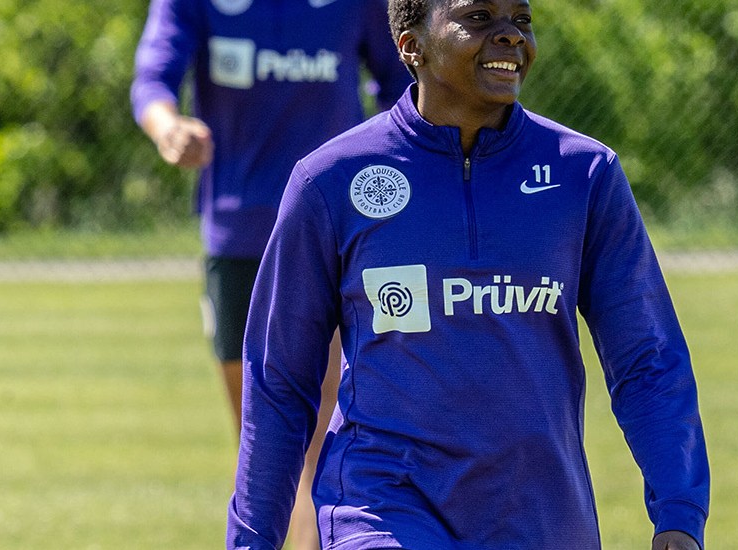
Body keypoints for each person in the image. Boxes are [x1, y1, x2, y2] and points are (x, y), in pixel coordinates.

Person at [224, 0, 710, 548]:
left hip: (541, 514)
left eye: (521, 20)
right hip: (382, 505)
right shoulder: (330, 180)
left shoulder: (585, 174)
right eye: (479, 17)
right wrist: (252, 539)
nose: (510, 35)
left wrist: (679, 513)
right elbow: (280, 378)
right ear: (412, 46)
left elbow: (647, 358)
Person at [129, 0, 412, 547]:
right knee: (260, 442)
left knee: (315, 431)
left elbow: (400, 78)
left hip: (335, 228)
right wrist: (169, 129)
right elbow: (152, 78)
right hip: (240, 235)